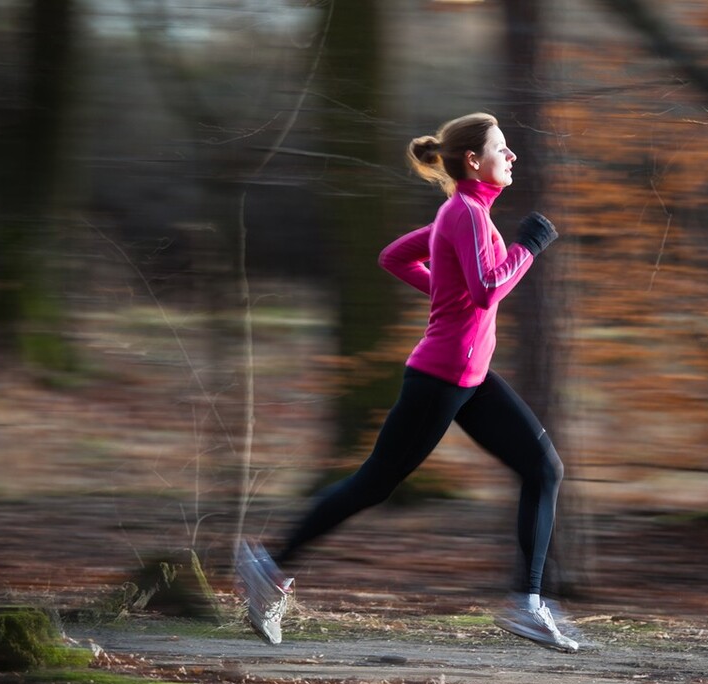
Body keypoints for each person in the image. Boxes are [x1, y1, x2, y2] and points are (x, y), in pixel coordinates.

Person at [235, 112, 575, 652]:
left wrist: (451, 293)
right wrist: (527, 249)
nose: (512, 157)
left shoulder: (464, 213)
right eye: (503, 148)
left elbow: (396, 257)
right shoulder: (465, 213)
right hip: (441, 378)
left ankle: (527, 604)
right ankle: (269, 566)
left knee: (543, 467)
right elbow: (487, 289)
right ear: (473, 160)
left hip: (471, 375)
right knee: (375, 481)